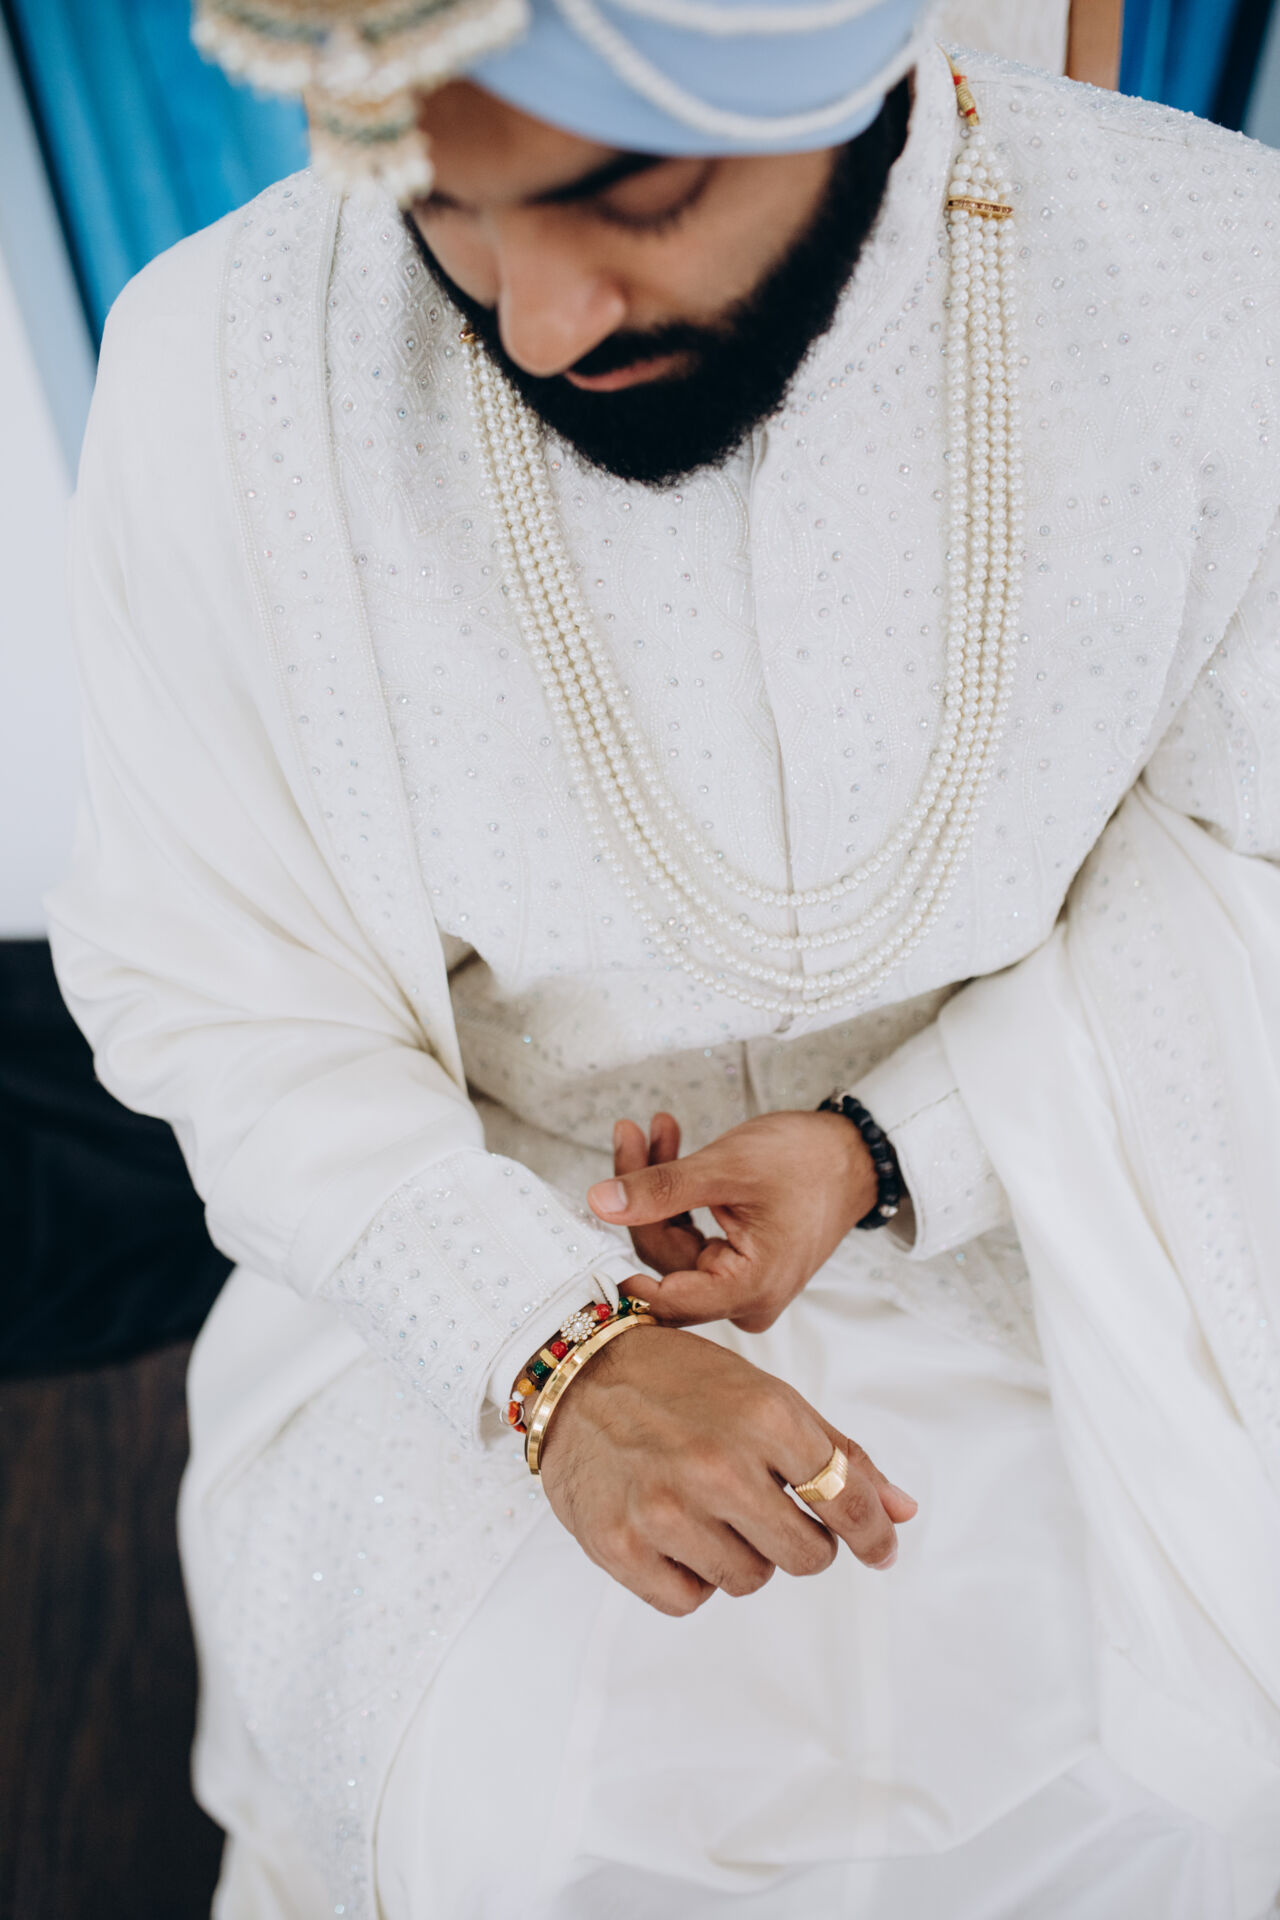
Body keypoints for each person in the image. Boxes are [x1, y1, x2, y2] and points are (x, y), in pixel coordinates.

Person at [46, 0, 1280, 1913]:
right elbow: (224, 984)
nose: (540, 319)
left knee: (1158, 1762)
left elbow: (1246, 863)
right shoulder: (219, 363)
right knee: (514, 1833)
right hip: (460, 1248)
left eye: (632, 198)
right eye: (439, 203)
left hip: (1082, 1231)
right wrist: (553, 1356)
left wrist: (890, 1149)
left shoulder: (1217, 291)